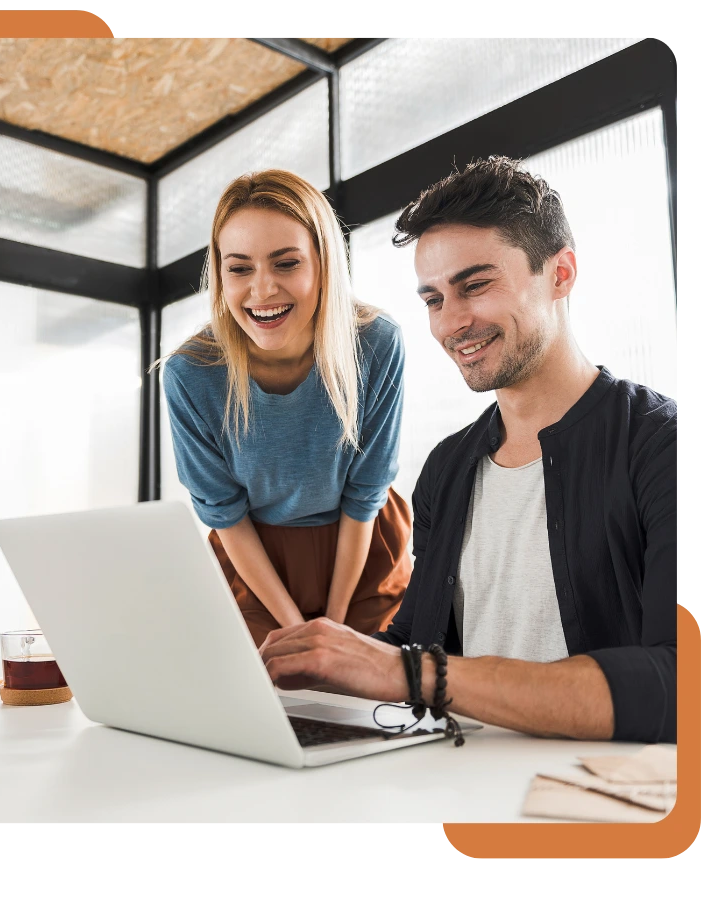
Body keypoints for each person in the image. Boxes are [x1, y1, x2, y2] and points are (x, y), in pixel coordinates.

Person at [260, 156, 679, 744]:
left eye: (475, 286)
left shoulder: (663, 447)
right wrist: (301, 669)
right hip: (459, 784)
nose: (451, 323)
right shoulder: (449, 467)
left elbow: (681, 683)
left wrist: (405, 671)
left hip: (593, 797)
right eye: (432, 299)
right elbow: (416, 642)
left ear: (561, 274)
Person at [162, 169, 412, 647]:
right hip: (255, 561)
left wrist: (334, 628)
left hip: (361, 547)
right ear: (219, 275)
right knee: (270, 699)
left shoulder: (378, 344)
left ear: (323, 265)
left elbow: (366, 493)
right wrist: (298, 629)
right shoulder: (190, 374)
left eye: (286, 263)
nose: (262, 291)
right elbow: (225, 513)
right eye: (239, 268)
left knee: (369, 692)